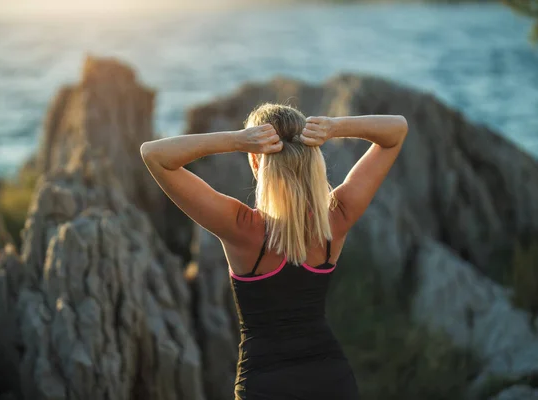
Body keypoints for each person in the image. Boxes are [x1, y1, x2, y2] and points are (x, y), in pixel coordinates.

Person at [140, 103, 408, 400]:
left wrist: (236, 140)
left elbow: (154, 155)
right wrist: (334, 127)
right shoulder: (336, 218)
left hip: (265, 387)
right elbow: (396, 130)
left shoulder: (242, 228)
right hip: (331, 381)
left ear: (255, 161)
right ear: (312, 154)